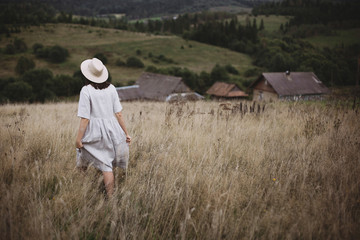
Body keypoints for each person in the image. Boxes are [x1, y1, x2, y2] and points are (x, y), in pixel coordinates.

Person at [75, 57, 131, 197]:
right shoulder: (111, 88)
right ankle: (110, 198)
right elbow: (118, 113)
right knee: (106, 164)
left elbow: (85, 118)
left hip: (94, 131)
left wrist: (78, 139)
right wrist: (126, 133)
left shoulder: (86, 90)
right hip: (112, 130)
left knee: (83, 157)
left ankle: (84, 190)